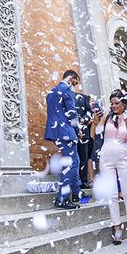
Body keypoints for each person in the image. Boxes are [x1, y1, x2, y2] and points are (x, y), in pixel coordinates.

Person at [91, 90, 127, 244]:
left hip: (123, 157)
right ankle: (117, 227)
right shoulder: (106, 117)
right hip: (106, 158)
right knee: (112, 195)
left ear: (124, 104)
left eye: (117, 103)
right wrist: (95, 122)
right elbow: (94, 135)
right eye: (111, 103)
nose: (113, 106)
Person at [44, 70, 82, 210]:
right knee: (71, 164)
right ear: (71, 78)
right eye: (75, 83)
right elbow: (72, 113)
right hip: (66, 131)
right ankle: (62, 198)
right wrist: (78, 130)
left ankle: (77, 192)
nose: (75, 86)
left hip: (55, 132)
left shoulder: (52, 91)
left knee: (74, 161)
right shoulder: (67, 90)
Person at [75, 92, 93, 191]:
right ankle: (74, 181)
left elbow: (89, 112)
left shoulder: (84, 97)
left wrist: (82, 120)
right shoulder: (63, 96)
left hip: (84, 132)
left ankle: (84, 181)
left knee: (83, 157)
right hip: (70, 132)